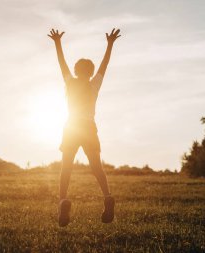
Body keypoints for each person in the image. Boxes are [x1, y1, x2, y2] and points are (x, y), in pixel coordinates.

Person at [48, 28, 121, 227]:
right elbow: (104, 66)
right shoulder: (94, 84)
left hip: (71, 126)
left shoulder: (70, 82)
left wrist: (57, 43)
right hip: (89, 127)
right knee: (96, 166)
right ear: (90, 73)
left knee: (66, 167)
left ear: (76, 70)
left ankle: (63, 200)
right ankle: (107, 196)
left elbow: (61, 64)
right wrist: (110, 45)